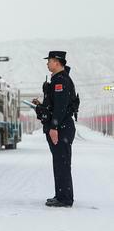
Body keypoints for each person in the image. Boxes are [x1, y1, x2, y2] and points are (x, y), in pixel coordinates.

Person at [32, 51, 77, 208]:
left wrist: (54, 127)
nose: (47, 64)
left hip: (61, 128)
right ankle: (61, 195)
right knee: (59, 163)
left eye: (49, 61)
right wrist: (41, 106)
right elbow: (54, 105)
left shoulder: (60, 81)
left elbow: (60, 108)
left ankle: (65, 199)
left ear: (57, 62)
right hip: (60, 127)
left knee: (62, 163)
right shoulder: (58, 79)